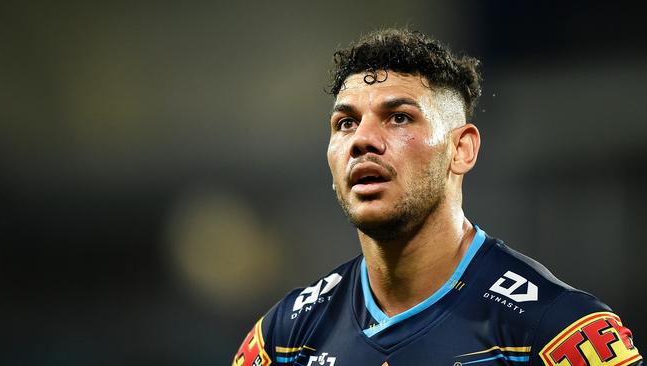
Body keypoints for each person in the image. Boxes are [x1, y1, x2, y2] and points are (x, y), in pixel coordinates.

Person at [232, 28, 642, 366]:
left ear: (461, 149)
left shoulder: (554, 328)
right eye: (346, 123)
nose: (363, 140)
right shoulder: (284, 339)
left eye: (399, 118)